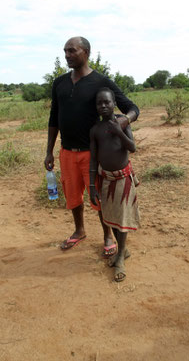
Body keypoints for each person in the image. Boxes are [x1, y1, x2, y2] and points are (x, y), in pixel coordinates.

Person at [44, 36, 140, 257]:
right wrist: (49, 150)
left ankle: (107, 236)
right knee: (72, 196)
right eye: (65, 51)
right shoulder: (59, 83)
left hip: (92, 153)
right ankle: (79, 230)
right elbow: (53, 117)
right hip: (67, 152)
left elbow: (131, 107)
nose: (67, 55)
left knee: (99, 197)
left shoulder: (101, 82)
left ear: (85, 52)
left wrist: (124, 121)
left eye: (72, 51)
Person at [89, 87, 140, 282]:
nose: (103, 106)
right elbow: (93, 160)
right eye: (99, 103)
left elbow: (132, 147)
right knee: (112, 218)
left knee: (122, 219)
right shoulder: (95, 130)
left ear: (114, 103)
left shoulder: (123, 122)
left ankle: (120, 257)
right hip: (106, 179)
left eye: (107, 102)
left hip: (122, 179)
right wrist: (92, 187)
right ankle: (123, 251)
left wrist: (119, 131)